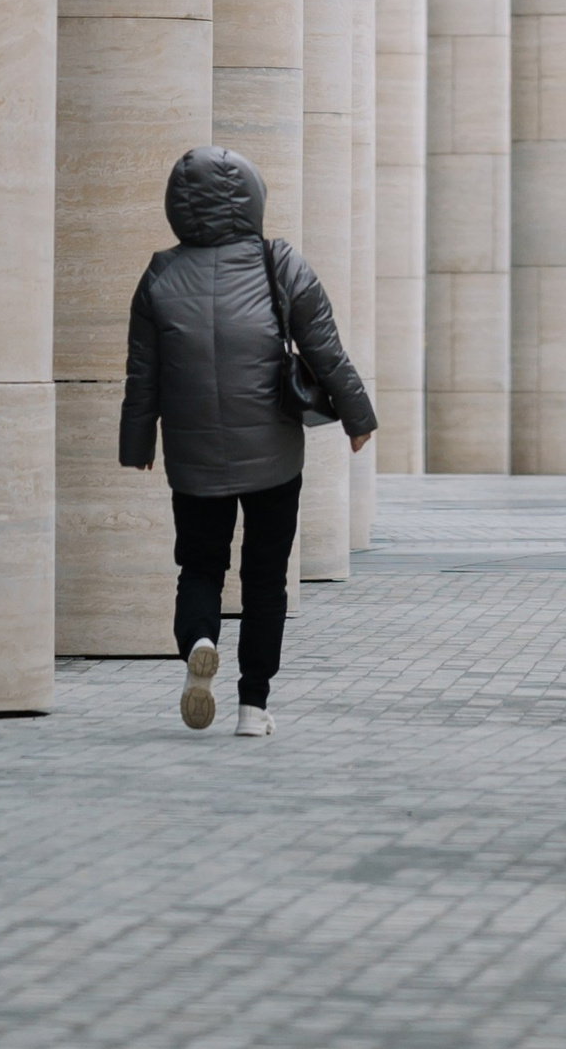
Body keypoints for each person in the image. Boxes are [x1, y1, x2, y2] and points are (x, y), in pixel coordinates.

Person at [117, 143, 377, 738]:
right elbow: (325, 352)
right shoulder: (278, 262)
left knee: (200, 566)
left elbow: (143, 374)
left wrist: (137, 445)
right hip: (274, 459)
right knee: (265, 577)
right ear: (254, 198)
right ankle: (252, 707)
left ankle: (200, 639)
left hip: (193, 457)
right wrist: (358, 418)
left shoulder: (160, 274)